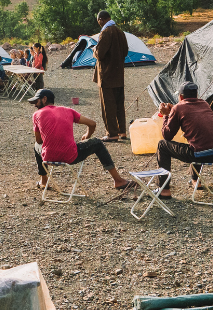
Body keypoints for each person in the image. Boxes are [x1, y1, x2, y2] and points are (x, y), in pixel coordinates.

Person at [27, 89, 134, 191]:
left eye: (36, 101)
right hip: (71, 156)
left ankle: (44, 181)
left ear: (44, 99)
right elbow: (92, 124)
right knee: (97, 143)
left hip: (48, 157)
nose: (35, 105)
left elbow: (39, 141)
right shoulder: (68, 110)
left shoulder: (36, 114)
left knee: (36, 146)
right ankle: (118, 180)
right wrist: (87, 135)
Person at [155, 82, 213, 199]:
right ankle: (196, 181)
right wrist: (173, 112)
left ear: (181, 97)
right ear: (196, 95)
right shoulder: (204, 104)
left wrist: (166, 115)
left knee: (162, 145)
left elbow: (167, 136)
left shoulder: (178, 108)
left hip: (203, 156)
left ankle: (164, 190)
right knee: (198, 141)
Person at [93, 10, 129, 142]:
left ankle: (112, 133)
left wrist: (94, 50)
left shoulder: (106, 32)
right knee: (119, 105)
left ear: (101, 20)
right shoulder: (120, 32)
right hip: (118, 75)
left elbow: (100, 54)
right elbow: (125, 51)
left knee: (108, 106)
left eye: (98, 21)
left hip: (106, 76)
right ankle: (122, 131)